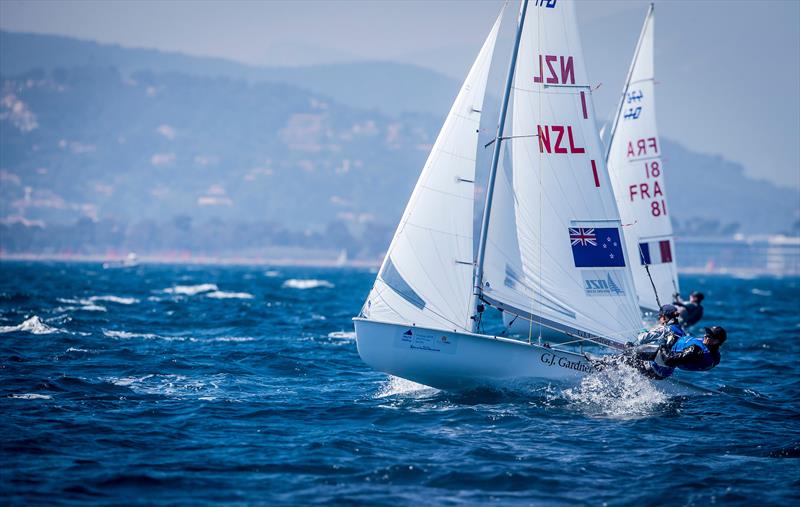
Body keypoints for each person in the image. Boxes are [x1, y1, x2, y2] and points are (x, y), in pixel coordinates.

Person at [630, 326, 727, 379]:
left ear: (717, 341)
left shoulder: (695, 351)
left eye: (710, 336)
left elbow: (668, 360)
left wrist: (666, 343)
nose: (706, 336)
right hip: (664, 368)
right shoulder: (714, 354)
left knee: (629, 355)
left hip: (656, 366)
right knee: (674, 328)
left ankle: (629, 350)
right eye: (707, 333)